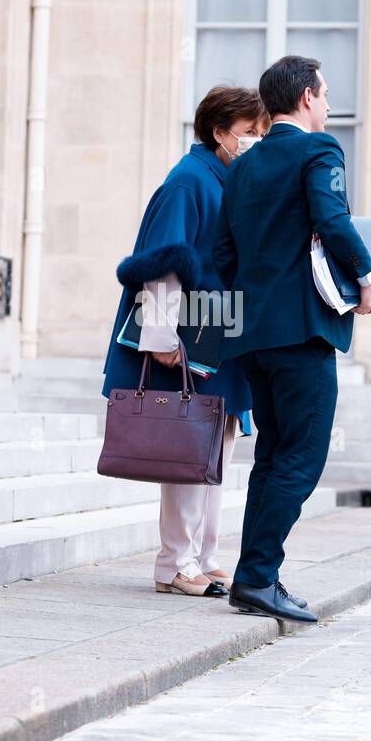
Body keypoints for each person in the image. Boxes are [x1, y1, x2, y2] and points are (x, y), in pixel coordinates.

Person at [212, 55, 371, 623]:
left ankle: (252, 577)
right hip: (303, 330)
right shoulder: (319, 151)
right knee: (302, 457)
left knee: (272, 457)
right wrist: (368, 275)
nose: (330, 105)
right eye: (327, 94)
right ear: (307, 97)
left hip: (253, 333)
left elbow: (224, 254)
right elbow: (332, 220)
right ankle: (258, 577)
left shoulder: (242, 164)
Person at [100, 85, 268, 597]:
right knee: (188, 444)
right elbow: (163, 261)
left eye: (262, 132)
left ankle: (205, 556)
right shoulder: (189, 181)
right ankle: (174, 563)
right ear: (219, 132)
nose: (257, 141)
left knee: (219, 441)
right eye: (249, 133)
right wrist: (158, 335)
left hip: (220, 328)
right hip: (187, 333)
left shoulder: (225, 178)